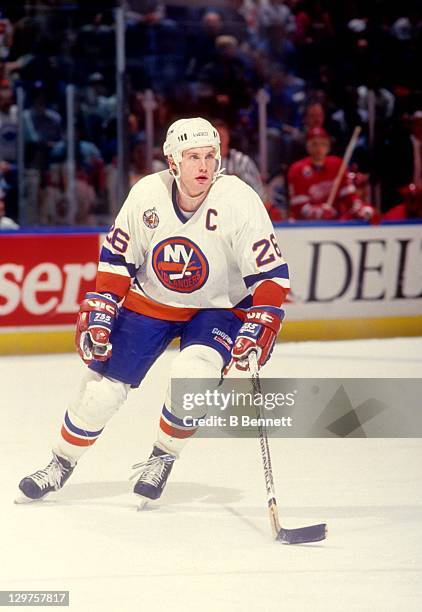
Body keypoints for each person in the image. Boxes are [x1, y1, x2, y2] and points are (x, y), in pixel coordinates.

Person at [17, 117, 290, 504]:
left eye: (210, 156)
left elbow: (271, 273)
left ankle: (163, 455)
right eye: (192, 157)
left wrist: (260, 316)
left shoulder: (238, 200)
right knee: (101, 393)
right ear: (173, 162)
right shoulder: (147, 194)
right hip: (152, 300)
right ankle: (59, 464)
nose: (203, 166)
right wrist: (106, 304)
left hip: (219, 308)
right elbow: (117, 258)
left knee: (193, 377)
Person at [287, 127, 375, 221]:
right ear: (307, 147)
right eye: (314, 144)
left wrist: (360, 208)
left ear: (328, 147)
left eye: (323, 144)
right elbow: (298, 207)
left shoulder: (337, 165)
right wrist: (318, 212)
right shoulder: (297, 170)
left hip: (334, 224)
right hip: (304, 227)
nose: (319, 148)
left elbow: (349, 196)